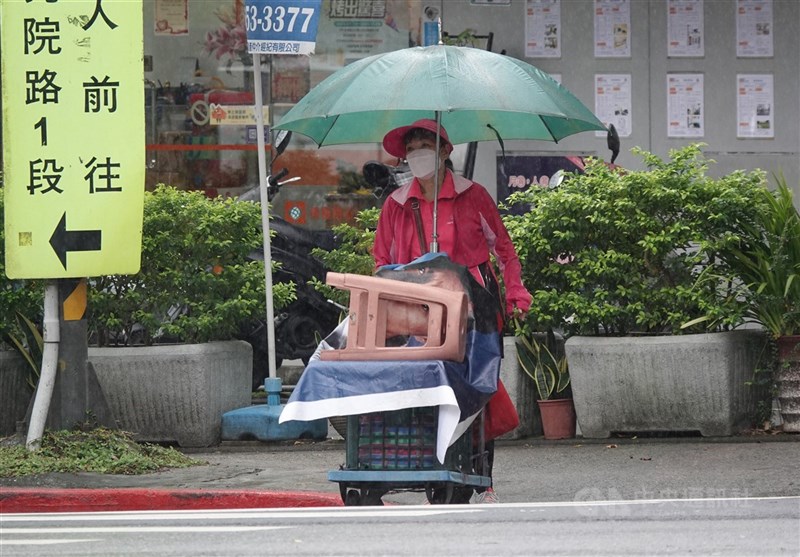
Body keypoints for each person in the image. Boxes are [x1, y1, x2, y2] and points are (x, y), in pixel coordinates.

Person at [373, 118, 532, 504]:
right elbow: (381, 260)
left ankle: (484, 478)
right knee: (423, 386)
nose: (417, 155)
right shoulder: (396, 205)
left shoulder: (472, 196)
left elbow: (504, 250)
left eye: (425, 146)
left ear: (446, 151)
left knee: (480, 390)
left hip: (476, 309)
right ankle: (423, 462)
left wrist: (515, 291)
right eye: (411, 149)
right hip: (419, 312)